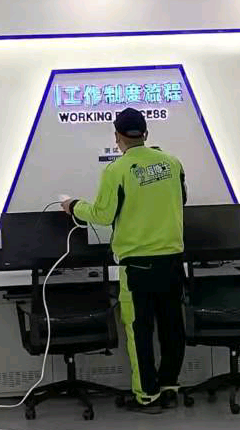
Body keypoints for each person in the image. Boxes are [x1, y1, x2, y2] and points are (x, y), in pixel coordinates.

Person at [61, 108, 187, 408]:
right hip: (172, 260)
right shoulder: (173, 163)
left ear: (117, 136)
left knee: (140, 331)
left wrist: (73, 206)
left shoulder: (117, 170)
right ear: (146, 133)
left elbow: (103, 215)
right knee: (172, 328)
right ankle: (169, 386)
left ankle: (147, 394)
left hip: (137, 265)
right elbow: (182, 199)